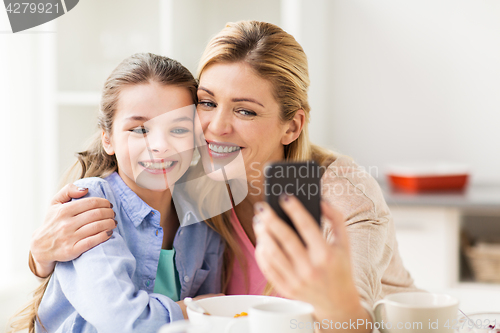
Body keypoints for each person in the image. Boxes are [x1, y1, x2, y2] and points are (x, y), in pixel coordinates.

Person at [27, 21, 419, 332]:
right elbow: (119, 146)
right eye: (207, 103)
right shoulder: (195, 171)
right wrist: (40, 256)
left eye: (245, 111)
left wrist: (337, 303)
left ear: (292, 127)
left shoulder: (327, 191)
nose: (216, 127)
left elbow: (354, 323)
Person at [10, 53, 224, 333]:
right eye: (139, 129)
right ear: (108, 138)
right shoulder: (91, 202)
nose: (159, 145)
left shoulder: (202, 215)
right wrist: (194, 311)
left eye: (179, 128)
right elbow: (125, 322)